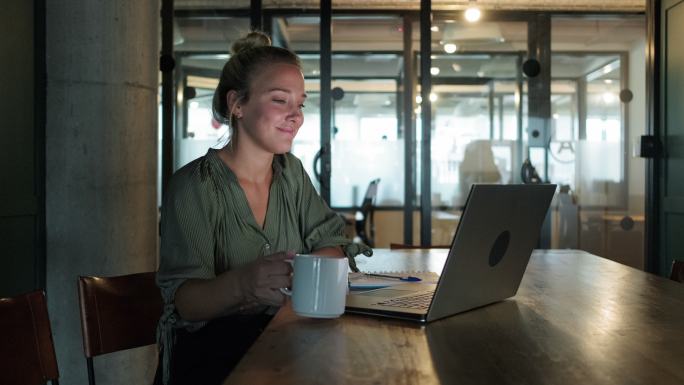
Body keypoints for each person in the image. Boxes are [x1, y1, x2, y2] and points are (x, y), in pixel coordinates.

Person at [155, 31, 371, 385]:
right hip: (213, 363)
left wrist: (315, 274)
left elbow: (331, 241)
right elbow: (186, 303)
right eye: (279, 100)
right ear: (237, 105)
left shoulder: (292, 174)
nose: (295, 116)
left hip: (285, 349)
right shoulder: (194, 185)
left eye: (300, 104)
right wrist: (244, 284)